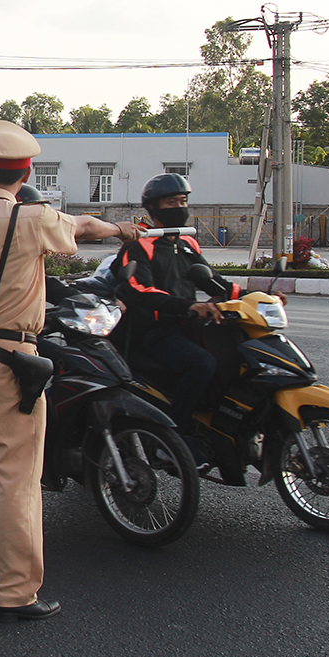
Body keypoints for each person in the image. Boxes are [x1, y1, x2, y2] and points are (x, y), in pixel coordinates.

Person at [0, 121, 141, 623]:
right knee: (17, 475)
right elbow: (83, 227)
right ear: (28, 172)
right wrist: (123, 230)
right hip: (11, 359)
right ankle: (15, 592)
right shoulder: (34, 219)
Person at [113, 174, 251, 451]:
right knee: (202, 364)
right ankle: (173, 433)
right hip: (154, 331)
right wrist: (187, 306)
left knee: (236, 355)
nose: (180, 206)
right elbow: (140, 289)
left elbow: (213, 281)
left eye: (183, 200)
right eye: (172, 201)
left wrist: (259, 298)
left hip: (188, 325)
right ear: (153, 208)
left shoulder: (187, 243)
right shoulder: (139, 245)